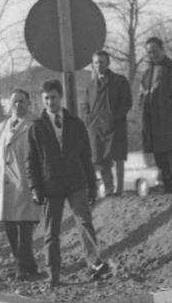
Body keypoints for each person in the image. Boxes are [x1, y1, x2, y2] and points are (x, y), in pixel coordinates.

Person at [27, 79, 110, 286]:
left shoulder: (75, 123)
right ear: (41, 99)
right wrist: (35, 187)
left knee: (84, 221)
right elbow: (32, 162)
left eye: (53, 97)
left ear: (61, 97)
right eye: (45, 98)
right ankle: (53, 273)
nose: (49, 102)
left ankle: (94, 262)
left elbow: (86, 157)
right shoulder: (36, 127)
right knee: (51, 231)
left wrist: (92, 185)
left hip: (76, 182)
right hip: (50, 184)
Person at [0, 89, 44, 281]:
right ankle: (28, 266)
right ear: (10, 105)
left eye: (22, 102)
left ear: (29, 104)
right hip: (5, 187)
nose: (18, 105)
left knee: (25, 228)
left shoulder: (34, 127)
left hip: (25, 185)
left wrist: (35, 181)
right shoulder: (0, 128)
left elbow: (40, 156)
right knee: (10, 228)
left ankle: (22, 268)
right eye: (15, 102)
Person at [139, 37, 172, 193]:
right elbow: (141, 96)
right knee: (162, 164)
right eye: (149, 52)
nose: (152, 54)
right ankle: (170, 194)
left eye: (155, 50)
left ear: (162, 49)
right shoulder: (147, 74)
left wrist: (166, 106)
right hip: (154, 127)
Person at [82, 50, 133, 196]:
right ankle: (108, 188)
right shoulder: (90, 86)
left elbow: (127, 102)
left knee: (118, 157)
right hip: (97, 127)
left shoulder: (119, 81)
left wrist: (114, 117)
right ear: (93, 65)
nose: (99, 65)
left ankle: (119, 189)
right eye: (96, 63)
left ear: (108, 63)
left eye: (102, 62)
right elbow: (85, 105)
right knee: (100, 158)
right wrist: (90, 120)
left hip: (115, 126)